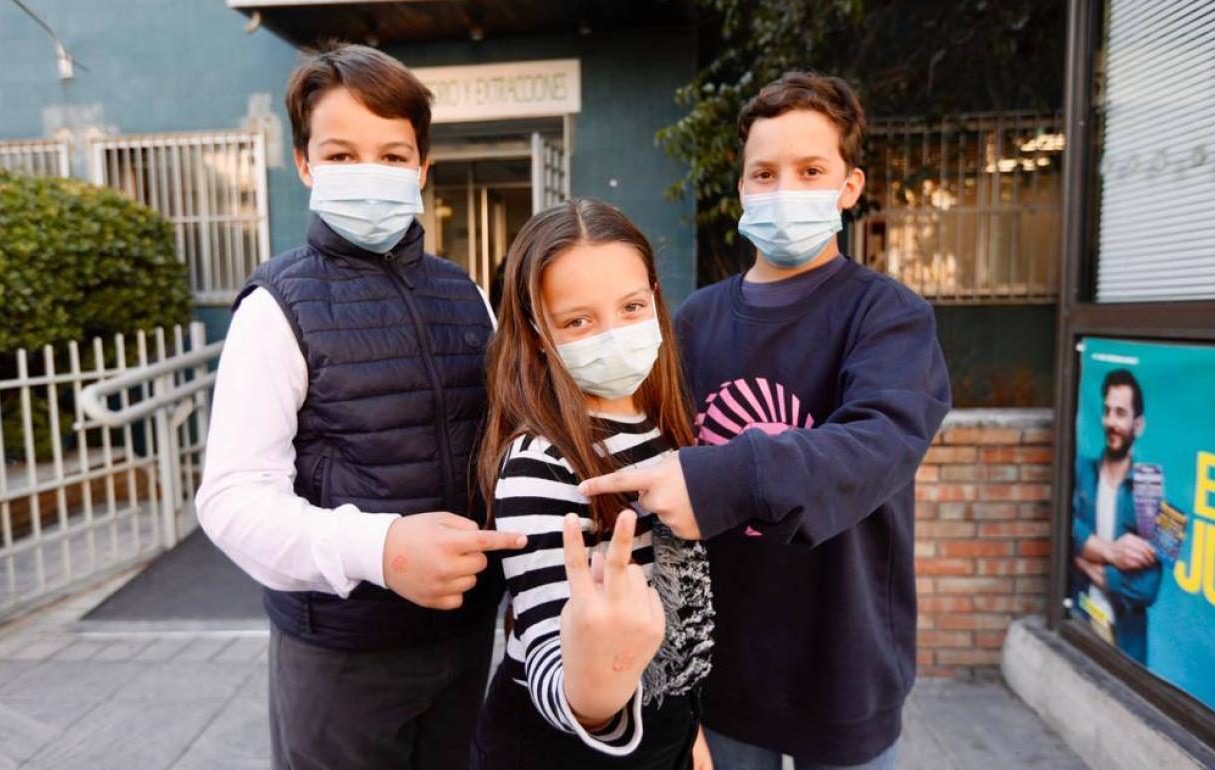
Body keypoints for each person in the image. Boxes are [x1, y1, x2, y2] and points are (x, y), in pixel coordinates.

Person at [580, 72, 952, 769]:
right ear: (742, 188)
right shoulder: (692, 322)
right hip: (720, 671)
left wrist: (728, 475)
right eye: (765, 172)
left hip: (844, 668)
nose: (785, 189)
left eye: (811, 170)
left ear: (850, 185)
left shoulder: (890, 317)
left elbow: (879, 441)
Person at [195, 44, 526, 770]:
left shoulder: (463, 291)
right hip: (342, 656)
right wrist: (377, 550)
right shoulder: (276, 306)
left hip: (466, 638)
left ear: (422, 168)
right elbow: (230, 498)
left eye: (392, 153)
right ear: (306, 165)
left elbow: (502, 441)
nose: (369, 174)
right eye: (342, 155)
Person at [471, 199, 715, 769]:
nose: (612, 334)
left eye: (631, 306)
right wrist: (597, 682)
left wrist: (690, 735)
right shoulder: (540, 461)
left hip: (666, 732)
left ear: (655, 298)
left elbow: (679, 617)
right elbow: (556, 675)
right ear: (536, 331)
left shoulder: (662, 430)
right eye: (578, 320)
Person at [1071, 369, 1161, 664]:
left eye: (1120, 413)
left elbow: (1146, 588)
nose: (1111, 421)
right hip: (1080, 624)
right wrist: (1112, 553)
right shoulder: (1081, 472)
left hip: (1126, 649)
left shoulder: (1150, 491)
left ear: (1138, 424)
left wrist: (1083, 558)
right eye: (1107, 411)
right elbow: (1064, 528)